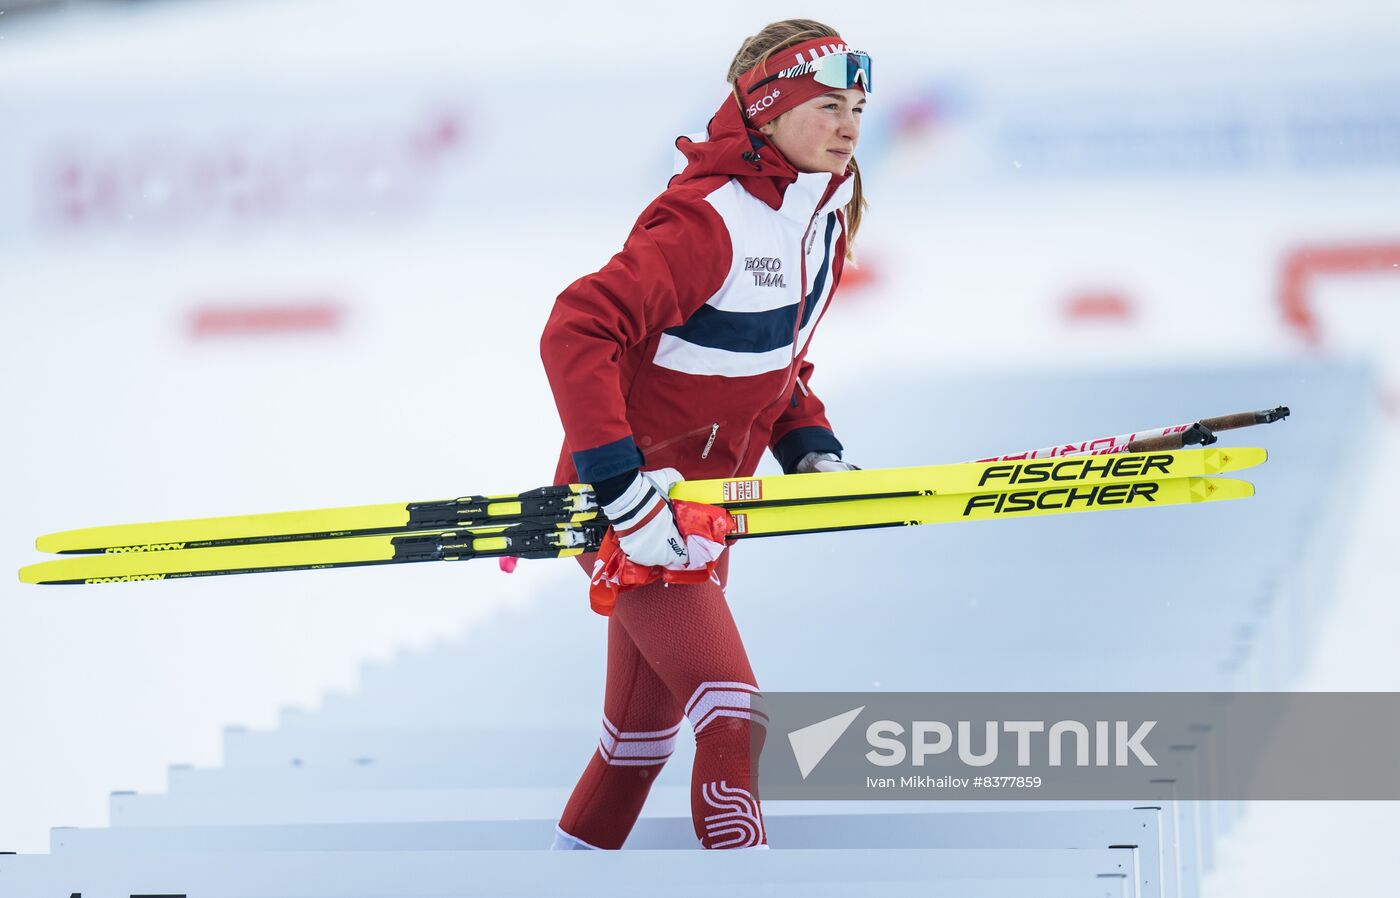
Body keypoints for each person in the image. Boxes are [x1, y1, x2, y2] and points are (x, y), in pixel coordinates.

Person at [539, 19, 872, 851]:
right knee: (735, 719)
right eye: (828, 105)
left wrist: (811, 449)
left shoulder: (818, 222)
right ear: (767, 109)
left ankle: (563, 872)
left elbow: (772, 362)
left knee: (636, 745)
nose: (849, 127)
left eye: (858, 108)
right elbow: (578, 330)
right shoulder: (706, 221)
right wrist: (621, 493)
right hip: (628, 512)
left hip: (700, 516)